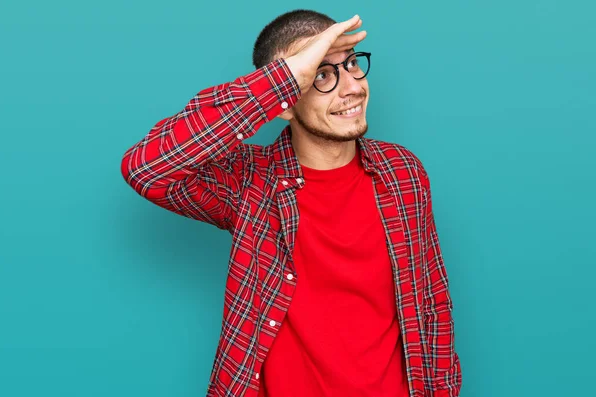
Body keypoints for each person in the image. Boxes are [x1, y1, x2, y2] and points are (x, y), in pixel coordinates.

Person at [120, 9, 462, 397]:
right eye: (322, 74)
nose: (351, 86)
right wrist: (280, 80)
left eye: (351, 64)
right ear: (283, 103)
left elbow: (431, 304)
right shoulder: (249, 183)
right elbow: (148, 168)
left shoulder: (402, 173)